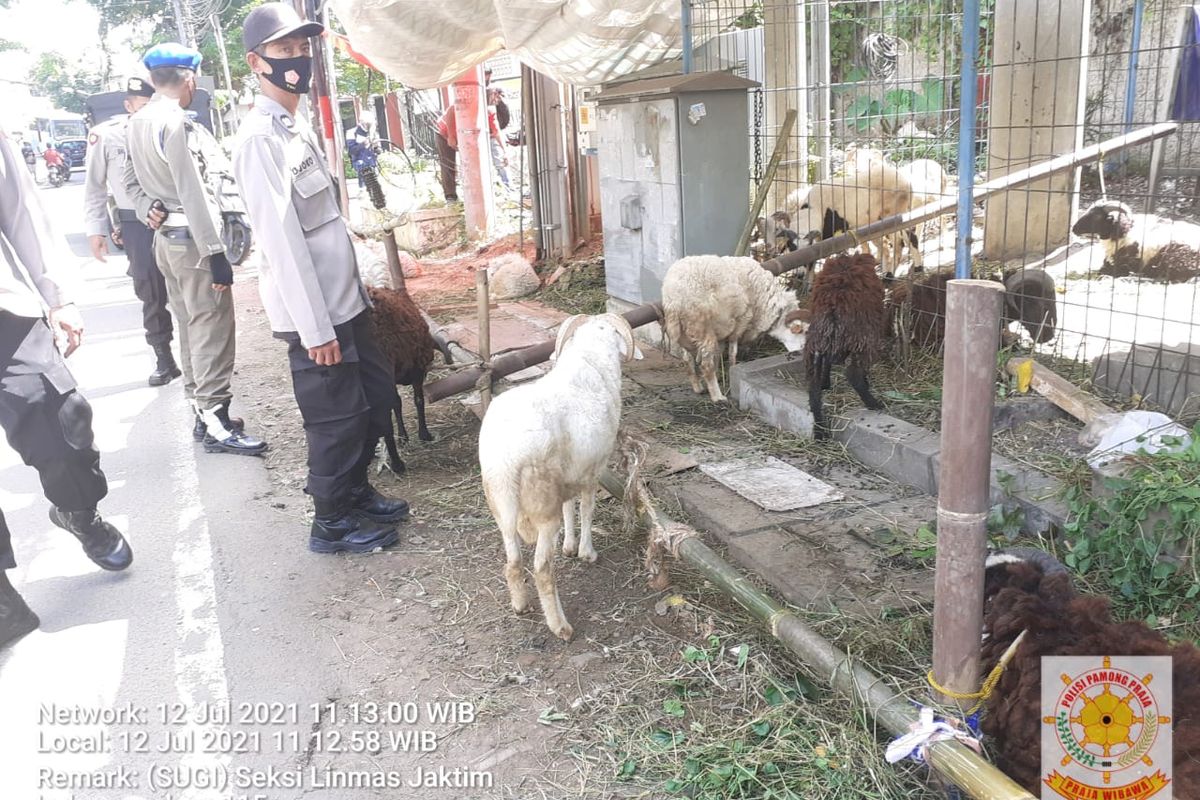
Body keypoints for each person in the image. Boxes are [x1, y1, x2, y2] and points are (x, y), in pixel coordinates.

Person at [233, 2, 409, 554]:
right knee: (335, 420)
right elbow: (283, 245)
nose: (297, 60)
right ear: (256, 62)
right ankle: (331, 522)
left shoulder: (293, 124)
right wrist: (315, 330)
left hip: (345, 304)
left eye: (302, 49)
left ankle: (356, 493)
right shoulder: (260, 138)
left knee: (371, 401)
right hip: (318, 318)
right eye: (284, 51)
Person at [0, 127, 134, 651]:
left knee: (63, 423)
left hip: (7, 315)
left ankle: (80, 513)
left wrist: (58, 296)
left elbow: (21, 212)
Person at [123, 43, 267, 456]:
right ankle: (218, 423)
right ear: (189, 80)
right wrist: (217, 252)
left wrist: (145, 205)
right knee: (212, 331)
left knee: (190, 327)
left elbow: (127, 180)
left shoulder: (136, 121)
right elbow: (194, 190)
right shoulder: (175, 123)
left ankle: (202, 413)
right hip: (194, 243)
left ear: (152, 80)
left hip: (166, 239)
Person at [83, 76, 180, 387]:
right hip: (135, 223)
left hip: (175, 217)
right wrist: (96, 228)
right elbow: (95, 186)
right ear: (128, 106)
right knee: (151, 291)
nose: (147, 111)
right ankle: (164, 358)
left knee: (190, 288)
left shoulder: (172, 126)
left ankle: (201, 361)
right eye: (141, 105)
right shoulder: (107, 136)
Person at [486, 88, 510, 190]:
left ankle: (506, 187)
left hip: (491, 136)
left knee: (498, 163)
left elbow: (496, 130)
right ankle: (507, 187)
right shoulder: (490, 108)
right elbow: (496, 130)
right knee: (499, 163)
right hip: (492, 136)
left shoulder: (491, 108)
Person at [434, 104, 458, 203]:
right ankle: (450, 196)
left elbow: (496, 131)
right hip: (444, 132)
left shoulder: (490, 110)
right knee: (447, 163)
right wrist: (451, 136)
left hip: (461, 133)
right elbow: (450, 110)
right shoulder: (469, 99)